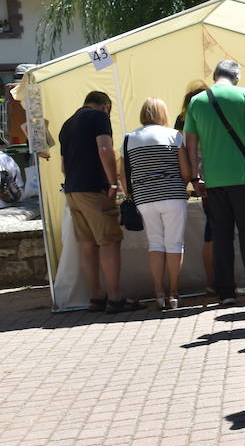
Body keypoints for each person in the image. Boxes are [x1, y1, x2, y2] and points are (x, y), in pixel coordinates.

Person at [184, 59, 245, 305]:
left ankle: (225, 291)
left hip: (213, 181)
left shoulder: (196, 101)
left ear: (215, 76)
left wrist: (196, 176)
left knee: (221, 236)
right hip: (243, 177)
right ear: (236, 77)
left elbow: (190, 144)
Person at [59, 90, 135, 313]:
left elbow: (63, 167)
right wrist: (113, 183)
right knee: (109, 241)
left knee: (87, 244)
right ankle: (115, 297)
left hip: (73, 190)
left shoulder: (67, 124)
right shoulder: (99, 117)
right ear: (105, 107)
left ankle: (96, 296)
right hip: (94, 189)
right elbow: (105, 149)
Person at [123, 97, 191, 310]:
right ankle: (173, 293)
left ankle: (158, 292)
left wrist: (130, 194)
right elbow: (186, 172)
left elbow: (123, 173)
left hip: (144, 198)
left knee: (155, 243)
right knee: (174, 244)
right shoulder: (174, 136)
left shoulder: (128, 139)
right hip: (172, 195)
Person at [174, 81, 214, 287]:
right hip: (210, 179)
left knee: (213, 232)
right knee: (214, 233)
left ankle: (213, 281)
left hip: (202, 180)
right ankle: (214, 281)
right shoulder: (198, 119)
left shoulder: (182, 120)